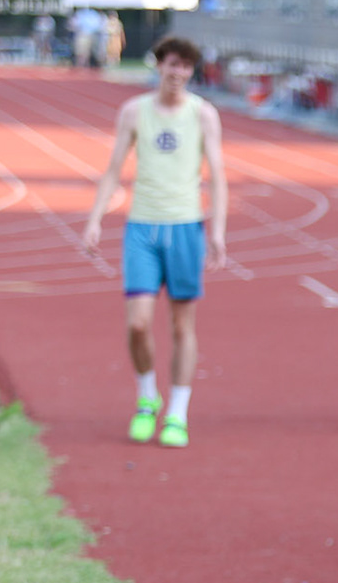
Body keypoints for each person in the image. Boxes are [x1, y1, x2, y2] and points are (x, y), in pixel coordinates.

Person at [81, 36, 229, 450]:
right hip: (142, 227)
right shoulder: (134, 112)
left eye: (186, 67)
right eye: (172, 64)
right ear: (159, 66)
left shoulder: (204, 115)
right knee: (138, 323)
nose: (178, 73)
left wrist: (216, 231)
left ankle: (177, 413)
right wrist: (95, 220)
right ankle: (148, 397)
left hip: (185, 226)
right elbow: (112, 170)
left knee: (183, 325)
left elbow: (217, 174)